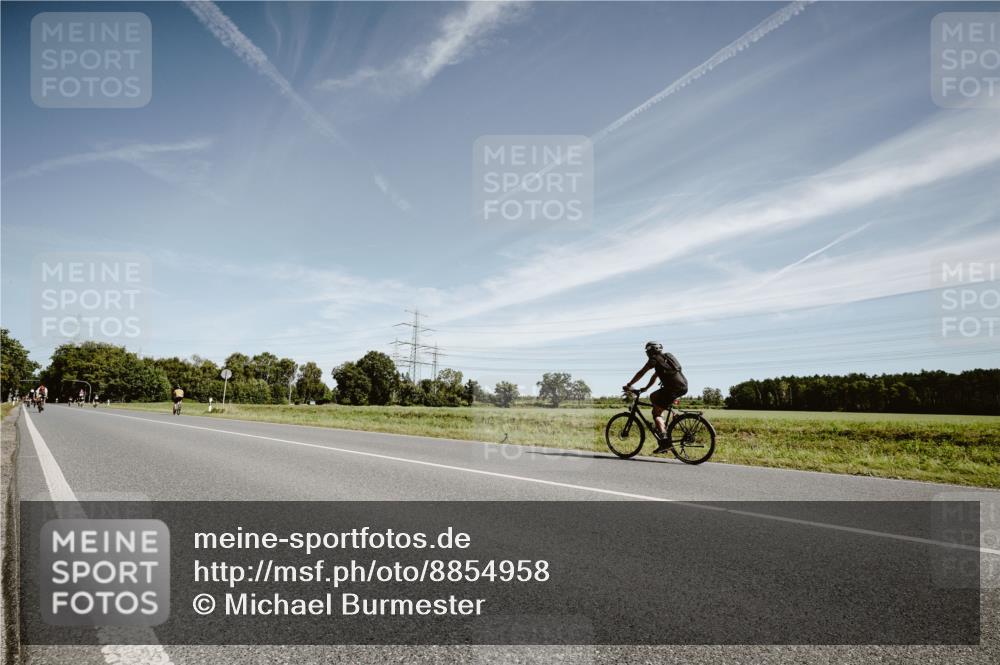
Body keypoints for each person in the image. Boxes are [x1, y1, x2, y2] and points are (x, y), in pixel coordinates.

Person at [623, 341, 689, 454]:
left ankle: (664, 440)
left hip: (672, 389)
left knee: (656, 412)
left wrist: (629, 385)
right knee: (654, 398)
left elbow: (641, 372)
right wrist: (646, 388)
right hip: (683, 386)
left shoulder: (654, 359)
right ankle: (663, 424)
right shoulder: (666, 359)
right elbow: (655, 376)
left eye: (647, 351)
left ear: (650, 351)